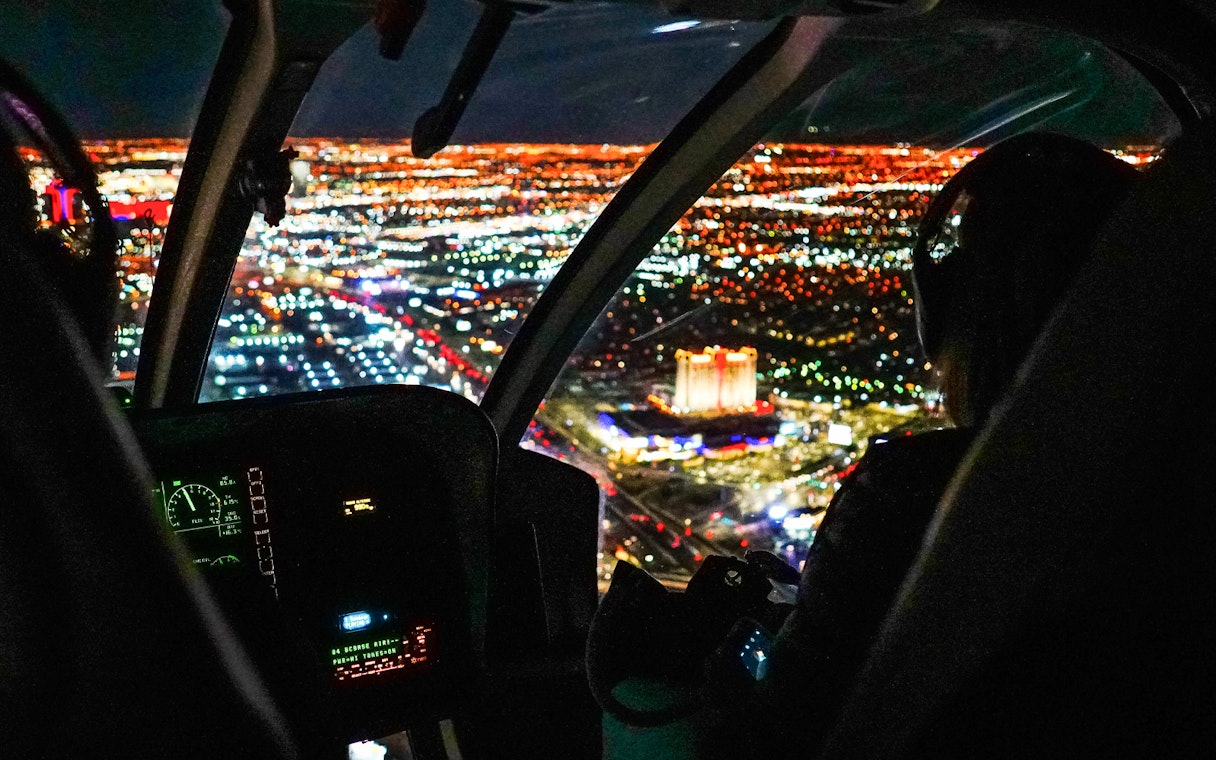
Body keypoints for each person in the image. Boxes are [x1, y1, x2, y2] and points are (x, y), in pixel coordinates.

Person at [747, 132, 1141, 756]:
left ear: (956, 312)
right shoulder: (1177, 482)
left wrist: (714, 676)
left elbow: (785, 732)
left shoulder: (916, 496)